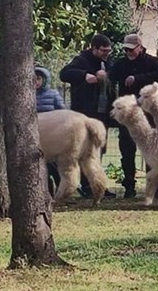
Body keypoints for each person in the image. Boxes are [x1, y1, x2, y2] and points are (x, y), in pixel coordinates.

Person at [59, 33, 117, 198]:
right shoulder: (81, 61)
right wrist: (85, 75)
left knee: (100, 151)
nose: (106, 54)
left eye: (108, 51)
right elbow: (64, 74)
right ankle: (86, 185)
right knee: (86, 150)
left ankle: (98, 185)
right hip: (85, 114)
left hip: (102, 114)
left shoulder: (108, 63)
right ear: (94, 48)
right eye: (103, 51)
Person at [109, 34, 158, 198]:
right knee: (126, 150)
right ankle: (129, 186)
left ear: (139, 47)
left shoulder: (151, 62)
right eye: (125, 49)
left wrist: (137, 78)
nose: (128, 52)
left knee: (151, 150)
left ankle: (154, 185)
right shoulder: (121, 64)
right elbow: (111, 76)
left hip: (148, 112)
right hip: (128, 114)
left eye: (131, 49)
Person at [35, 66, 66, 196]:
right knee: (42, 167)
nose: (35, 82)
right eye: (32, 79)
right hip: (36, 135)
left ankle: (62, 190)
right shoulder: (26, 95)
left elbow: (62, 112)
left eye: (38, 79)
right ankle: (47, 193)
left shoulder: (53, 95)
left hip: (52, 135)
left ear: (44, 80)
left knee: (55, 166)